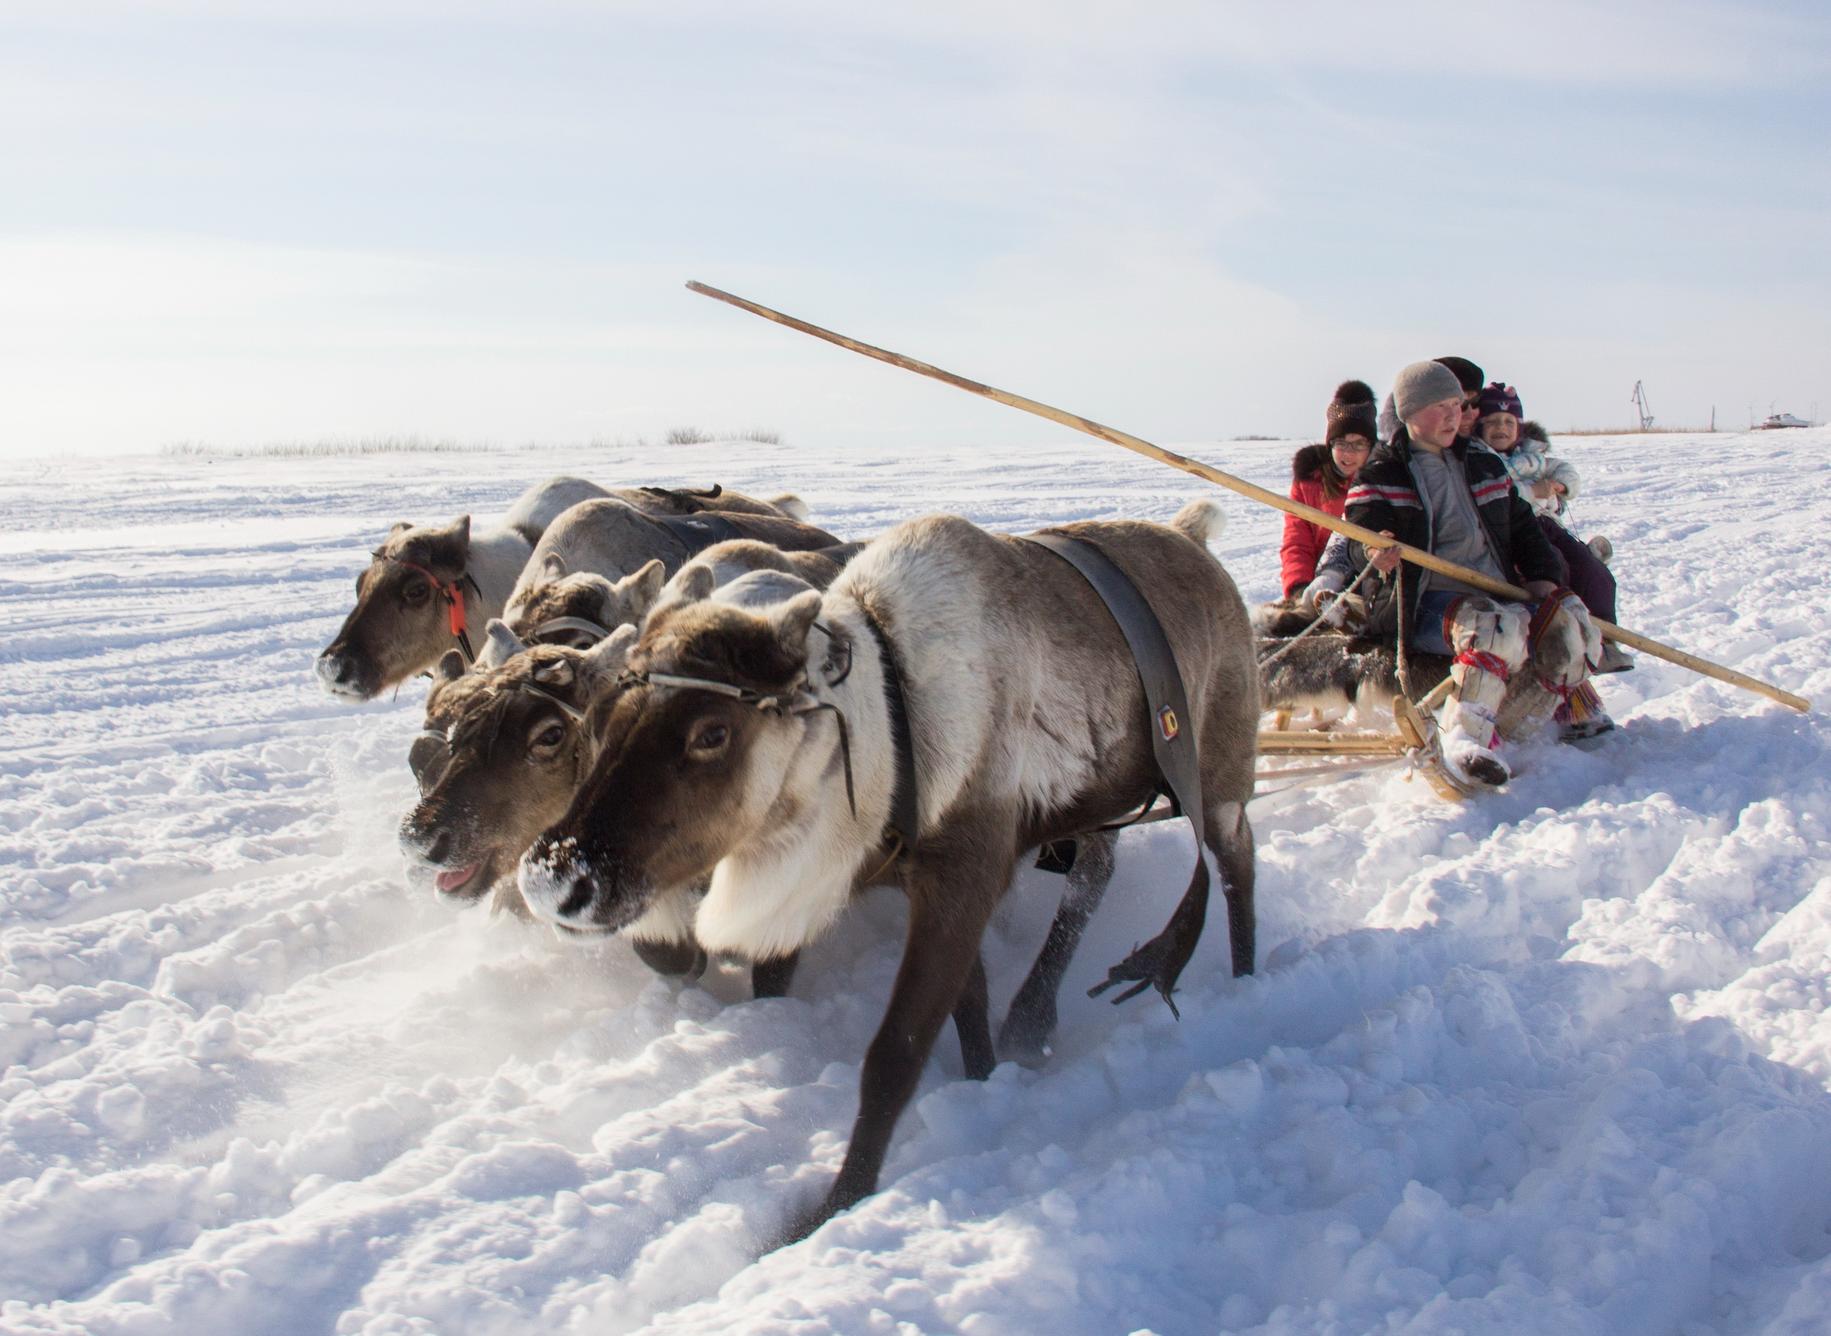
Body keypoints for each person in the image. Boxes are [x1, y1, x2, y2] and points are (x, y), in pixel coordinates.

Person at [1344, 360, 1603, 788]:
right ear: (1410, 413)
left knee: (1575, 624)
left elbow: (1524, 528)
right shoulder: (1382, 472)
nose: (1453, 416)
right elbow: (1356, 533)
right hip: (1423, 603)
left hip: (1492, 592)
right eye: (1439, 407)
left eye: (1457, 405)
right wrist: (1373, 546)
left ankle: (1515, 730)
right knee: (1493, 627)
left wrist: (1544, 578)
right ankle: (1465, 741)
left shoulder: (1483, 462)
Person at [1474, 383, 1632, 675]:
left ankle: (1606, 641)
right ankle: (1565, 641)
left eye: (1509, 422)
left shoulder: (1533, 455)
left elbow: (1566, 471)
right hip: (1517, 527)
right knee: (1555, 570)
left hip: (1548, 524)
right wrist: (1535, 490)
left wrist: (1560, 486)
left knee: (1594, 572)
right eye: (1492, 422)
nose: (1501, 428)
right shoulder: (1480, 459)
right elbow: (1499, 494)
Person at [1279, 380, 1378, 599]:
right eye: (1341, 443)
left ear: (1371, 446)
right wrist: (1298, 587)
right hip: (1317, 585)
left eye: (1358, 444)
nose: (1348, 453)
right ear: (1330, 443)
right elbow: (1297, 541)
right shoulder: (1309, 481)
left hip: (1367, 585)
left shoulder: (1382, 480)